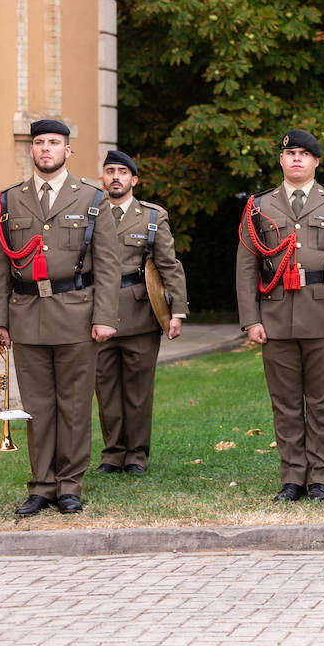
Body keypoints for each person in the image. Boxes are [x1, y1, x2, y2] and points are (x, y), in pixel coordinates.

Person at [0, 119, 121, 516]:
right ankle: (41, 485)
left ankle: (70, 485)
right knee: (38, 406)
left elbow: (109, 266)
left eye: (54, 143)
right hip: (26, 316)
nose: (46, 149)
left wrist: (106, 317)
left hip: (77, 314)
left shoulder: (92, 199)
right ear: (31, 150)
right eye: (40, 142)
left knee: (75, 404)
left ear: (68, 151)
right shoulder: (10, 200)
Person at [236, 129, 324, 503]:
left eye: (304, 154)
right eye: (290, 153)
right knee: (286, 402)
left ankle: (319, 477)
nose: (296, 159)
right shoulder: (259, 206)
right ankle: (292, 477)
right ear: (281, 159)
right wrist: (251, 319)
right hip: (275, 315)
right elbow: (246, 266)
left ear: (316, 162)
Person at [93, 150, 189, 477]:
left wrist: (177, 310)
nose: (115, 177)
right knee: (105, 388)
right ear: (103, 178)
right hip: (98, 313)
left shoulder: (151, 217)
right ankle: (112, 453)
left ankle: (136, 454)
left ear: (134, 180)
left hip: (139, 313)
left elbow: (168, 266)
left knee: (137, 390)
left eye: (122, 172)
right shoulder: (91, 213)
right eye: (110, 171)